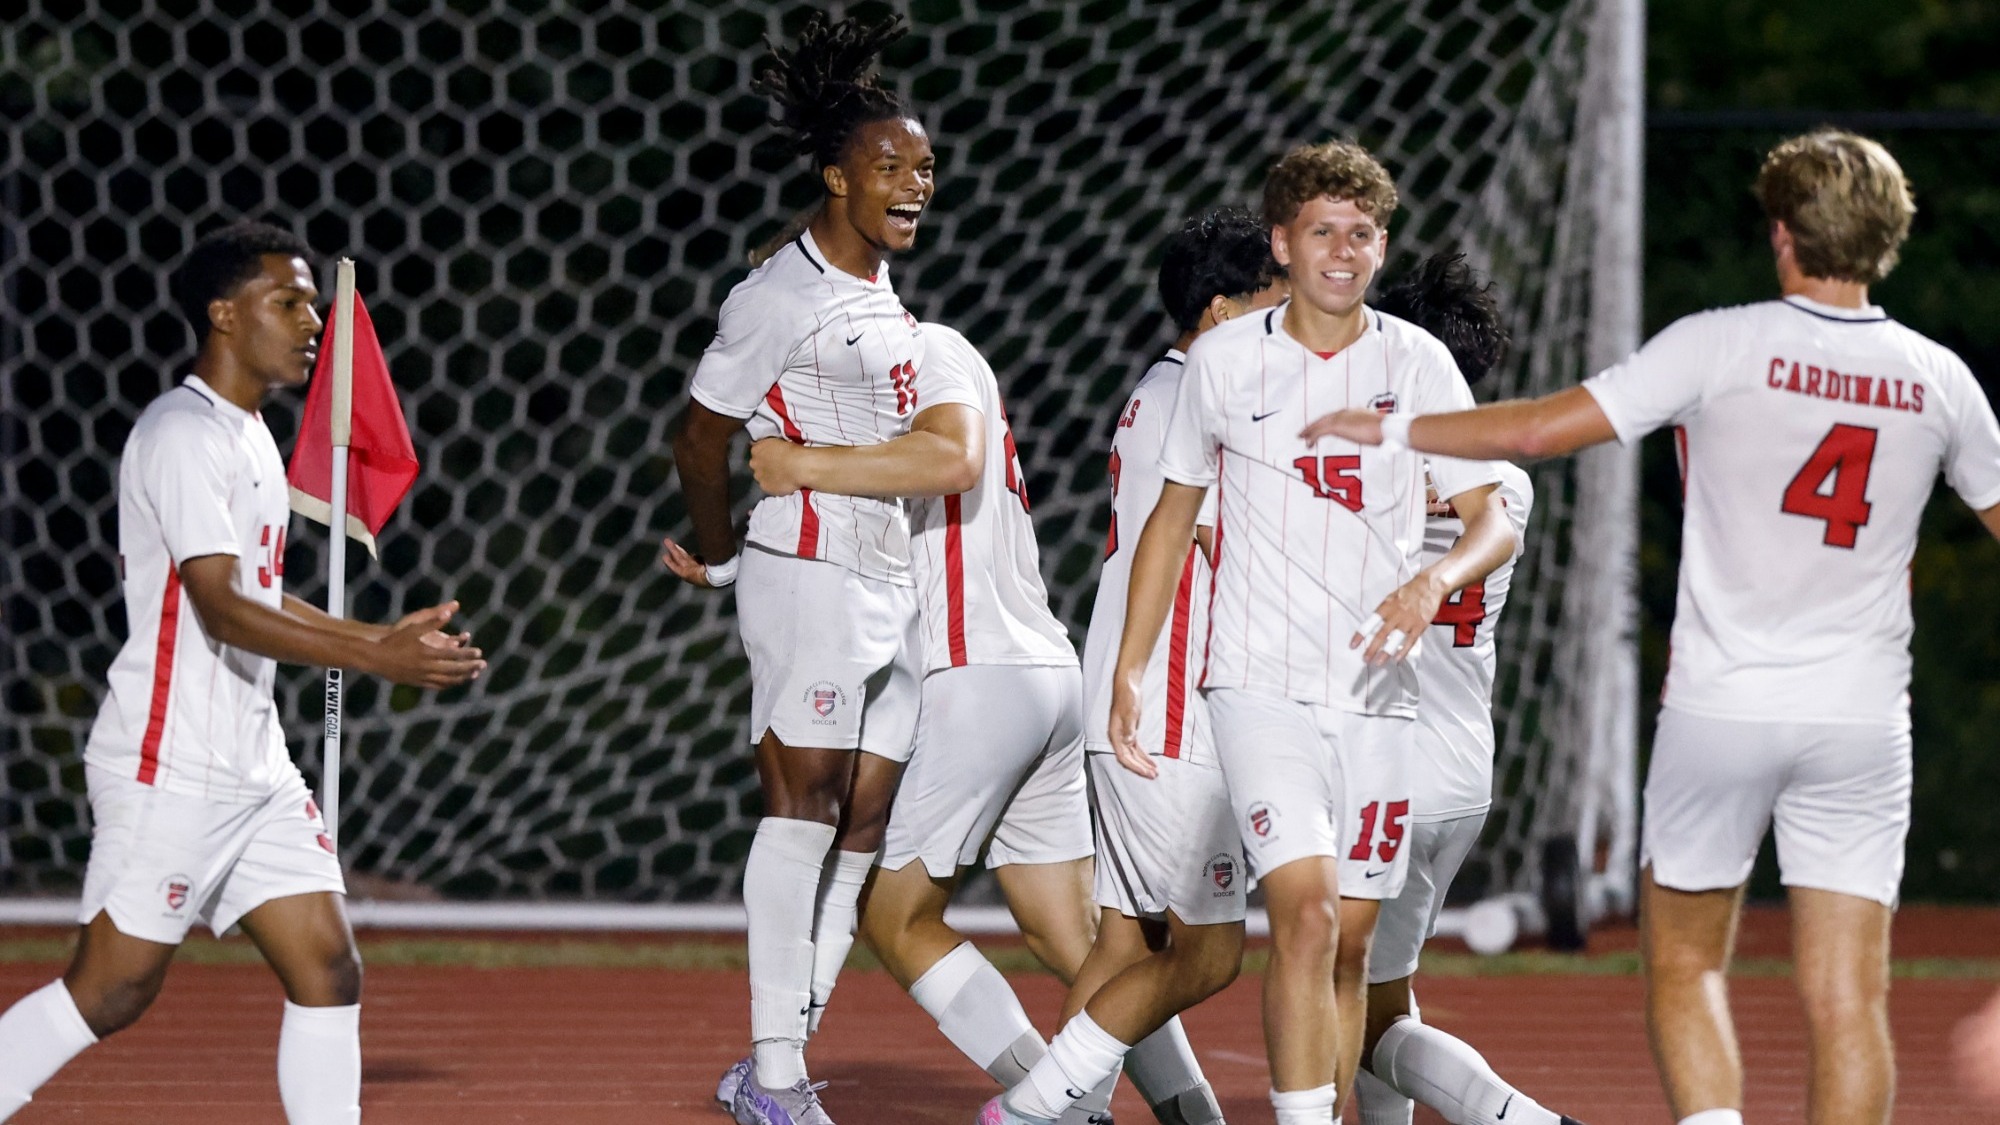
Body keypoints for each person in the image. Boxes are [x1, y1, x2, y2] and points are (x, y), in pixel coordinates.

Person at [1300, 129, 2000, 1125]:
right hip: (1859, 717)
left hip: (1719, 704)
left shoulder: (1719, 341)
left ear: (1781, 235)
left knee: (1681, 965)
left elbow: (1540, 430)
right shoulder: (1936, 376)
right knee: (1848, 995)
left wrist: (1396, 426)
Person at [0, 220, 487, 1124]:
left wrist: (371, 633)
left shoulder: (253, 436)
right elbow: (219, 605)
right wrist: (375, 654)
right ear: (223, 315)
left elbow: (260, 595)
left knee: (328, 965)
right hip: (170, 763)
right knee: (109, 992)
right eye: (289, 301)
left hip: (254, 768)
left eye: (312, 302)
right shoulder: (182, 434)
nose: (312, 321)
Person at [1110, 140, 1516, 1125]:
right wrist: (1129, 667)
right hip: (1259, 688)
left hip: (1380, 700)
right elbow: (1170, 517)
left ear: (1382, 245)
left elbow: (1492, 517)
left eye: (1362, 233)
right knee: (1301, 912)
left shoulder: (1416, 362)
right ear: (1284, 243)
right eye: (1322, 231)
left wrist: (1436, 580)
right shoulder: (1219, 361)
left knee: (1346, 945)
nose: (1343, 250)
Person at [752, 322, 1204, 1123]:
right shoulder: (897, 379)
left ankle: (1055, 1105)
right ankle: (1193, 1114)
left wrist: (800, 466)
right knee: (1081, 938)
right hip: (1043, 672)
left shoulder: (920, 354)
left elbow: (952, 458)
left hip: (979, 673)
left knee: (894, 916)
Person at [661, 11, 934, 1125]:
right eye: (888, 166)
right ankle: (776, 1078)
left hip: (891, 581)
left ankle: (779, 1049)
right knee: (805, 805)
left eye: (922, 168)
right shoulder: (774, 295)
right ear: (834, 175)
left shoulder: (871, 290)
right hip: (805, 570)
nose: (913, 185)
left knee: (867, 821)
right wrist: (722, 555)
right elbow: (697, 434)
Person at [982, 207, 1285, 1125]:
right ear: (1227, 312)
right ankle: (1030, 1110)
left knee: (1124, 943)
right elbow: (1227, 547)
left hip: (1138, 699)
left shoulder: (1162, 389)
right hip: (1168, 712)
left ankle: (1058, 1114)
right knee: (1209, 954)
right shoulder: (1203, 398)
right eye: (1276, 303)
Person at [1350, 254, 1583, 1125]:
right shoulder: (1506, 483)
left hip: (1376, 762)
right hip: (1459, 776)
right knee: (1385, 992)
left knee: (1344, 1007)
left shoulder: (1357, 469)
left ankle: (1516, 1118)